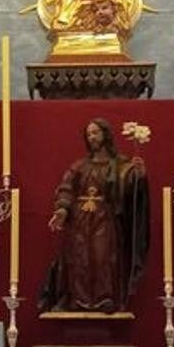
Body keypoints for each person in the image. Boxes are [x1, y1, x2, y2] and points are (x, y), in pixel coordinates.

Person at [39, 118, 149, 313]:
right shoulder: (79, 166)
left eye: (95, 133)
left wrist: (138, 175)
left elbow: (130, 190)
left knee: (102, 259)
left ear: (105, 135)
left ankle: (104, 299)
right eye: (89, 134)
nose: (92, 137)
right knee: (79, 259)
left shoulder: (120, 164)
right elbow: (66, 188)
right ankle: (78, 300)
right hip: (79, 221)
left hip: (105, 220)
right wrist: (62, 210)